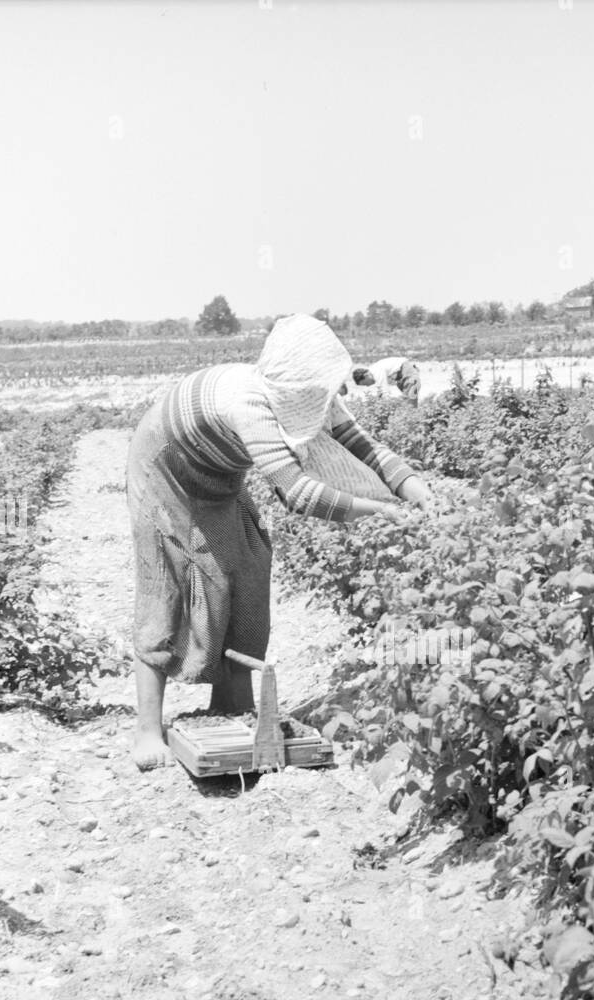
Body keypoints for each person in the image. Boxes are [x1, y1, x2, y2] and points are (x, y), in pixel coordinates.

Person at [127, 313, 434, 771]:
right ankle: (147, 730)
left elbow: (364, 447)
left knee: (249, 566)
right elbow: (297, 492)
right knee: (174, 581)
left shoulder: (310, 398)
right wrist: (383, 512)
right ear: (298, 381)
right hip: (165, 468)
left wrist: (420, 493)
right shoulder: (250, 403)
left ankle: (232, 702)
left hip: (218, 475)